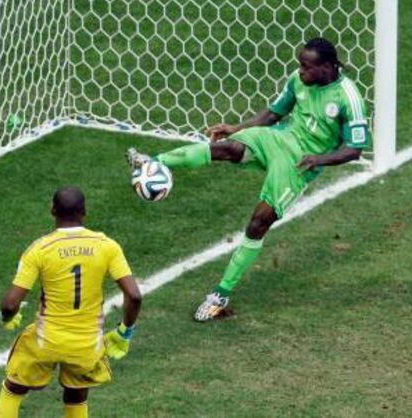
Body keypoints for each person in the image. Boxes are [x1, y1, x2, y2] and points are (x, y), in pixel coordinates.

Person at [127, 38, 371, 322]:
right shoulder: (298, 80)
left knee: (259, 223)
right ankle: (153, 161)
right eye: (300, 65)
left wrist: (319, 159)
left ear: (326, 66)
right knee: (228, 147)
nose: (300, 70)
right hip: (278, 139)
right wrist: (236, 128)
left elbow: (354, 149)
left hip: (299, 163)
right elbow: (273, 114)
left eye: (306, 66)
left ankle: (220, 295)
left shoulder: (349, 98)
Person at [0, 186, 142, 418]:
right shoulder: (107, 246)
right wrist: (125, 332)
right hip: (86, 344)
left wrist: (7, 317)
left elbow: (10, 304)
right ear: (84, 211)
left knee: (14, 387)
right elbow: (134, 295)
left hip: (46, 341)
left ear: (52, 210)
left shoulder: (39, 249)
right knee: (77, 394)